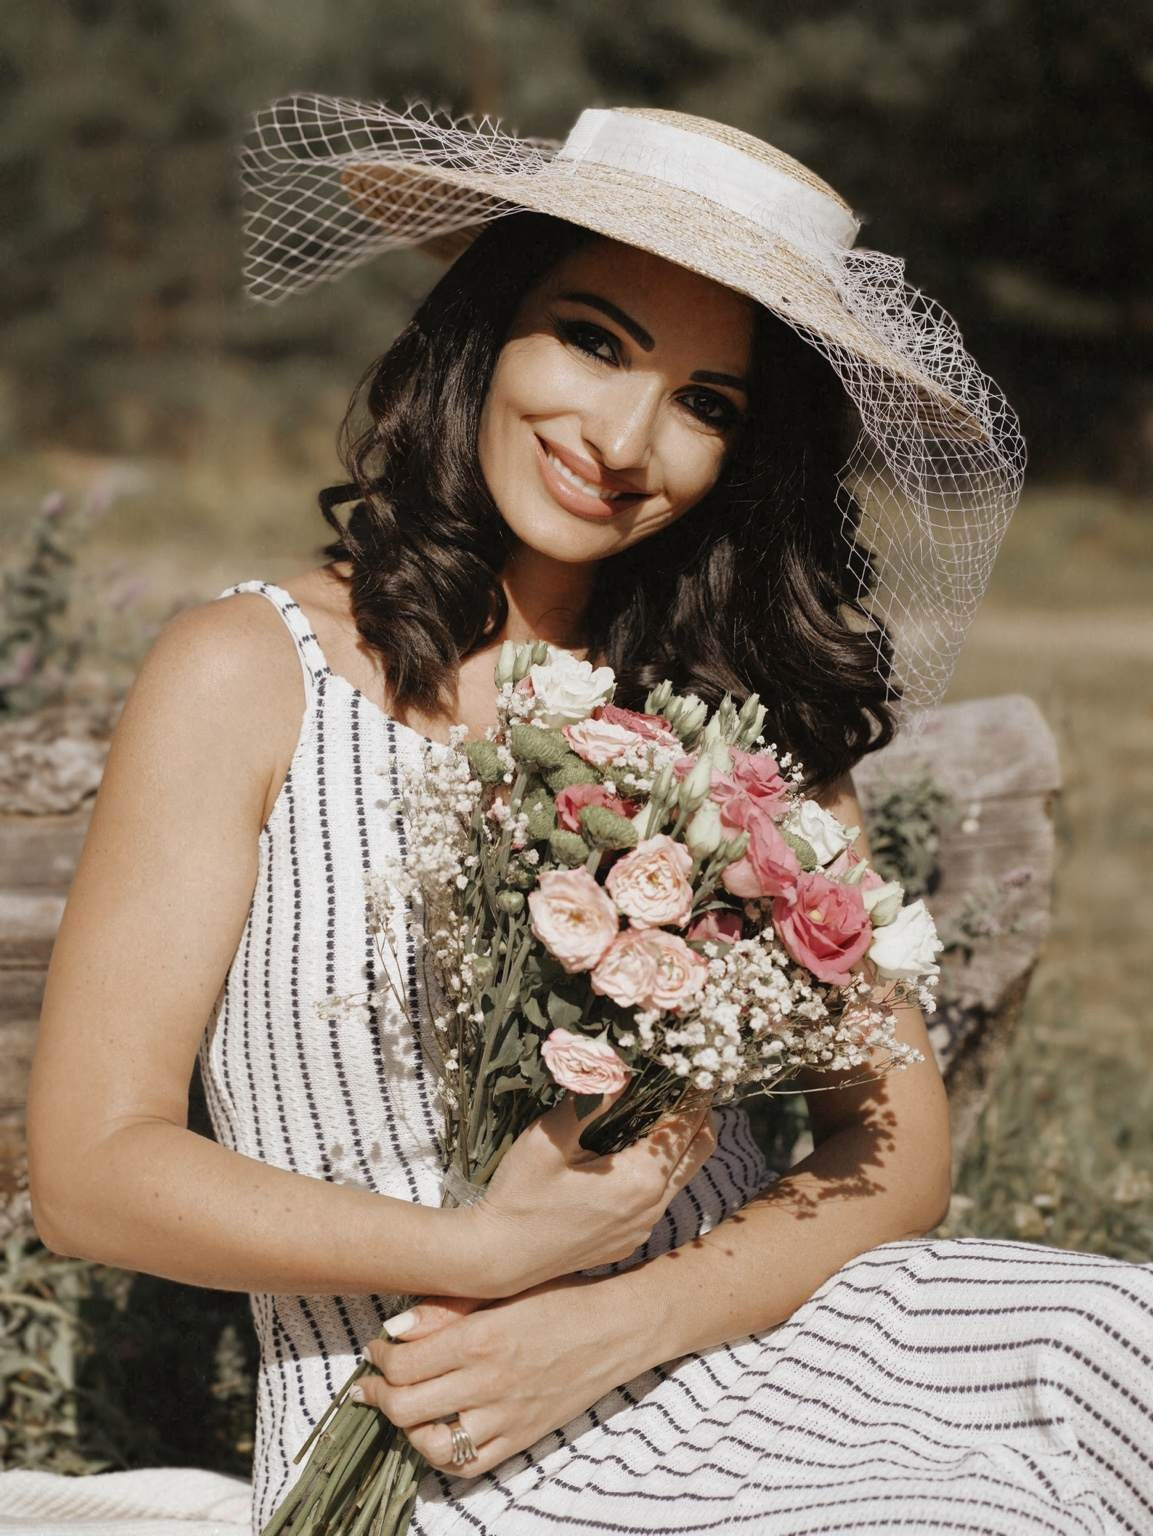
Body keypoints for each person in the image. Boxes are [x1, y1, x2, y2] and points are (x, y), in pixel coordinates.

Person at [26, 102, 1153, 1536]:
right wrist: (479, 1252)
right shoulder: (247, 673)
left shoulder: (730, 721)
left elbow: (896, 1156)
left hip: (750, 1331)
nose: (623, 439)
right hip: (442, 1412)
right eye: (594, 338)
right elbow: (91, 1172)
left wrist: (624, 1324)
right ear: (488, 330)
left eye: (707, 403)